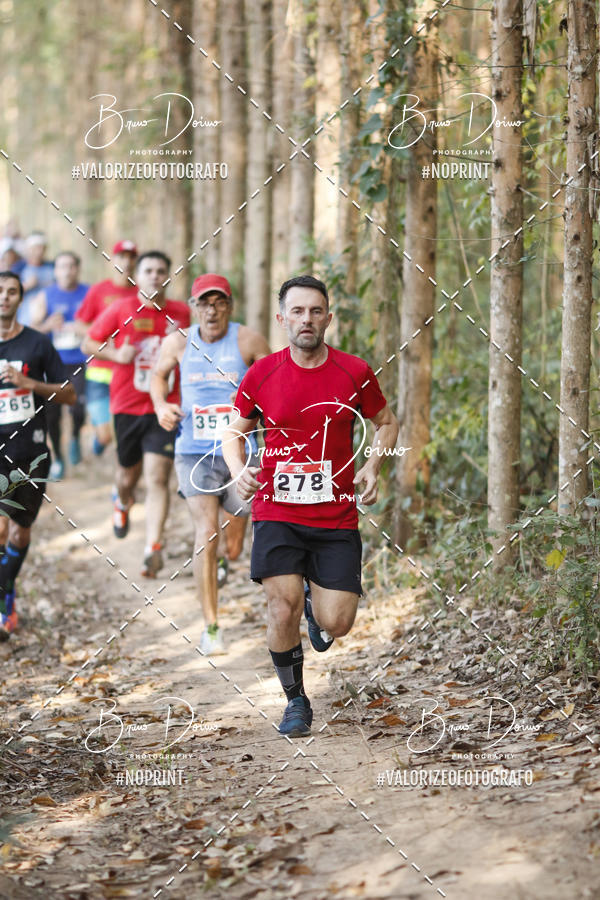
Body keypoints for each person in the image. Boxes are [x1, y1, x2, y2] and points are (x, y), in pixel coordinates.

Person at [222, 275, 399, 737]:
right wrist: (239, 468)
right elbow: (233, 432)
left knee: (336, 623)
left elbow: (387, 423)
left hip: (335, 514)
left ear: (328, 318)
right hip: (276, 510)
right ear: (282, 319)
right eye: (297, 312)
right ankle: (296, 700)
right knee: (278, 609)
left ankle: (312, 604)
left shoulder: (353, 371)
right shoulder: (261, 373)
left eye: (315, 311)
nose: (306, 320)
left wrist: (373, 467)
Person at [151, 273, 270, 655]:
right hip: (194, 451)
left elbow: (275, 381)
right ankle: (212, 627)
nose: (212, 310)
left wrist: (261, 408)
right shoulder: (179, 341)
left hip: (240, 453)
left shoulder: (247, 340)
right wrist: (160, 405)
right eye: (204, 303)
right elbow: (157, 375)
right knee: (206, 533)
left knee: (233, 545)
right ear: (194, 307)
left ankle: (225, 558)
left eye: (219, 302)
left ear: (229, 307)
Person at [83, 251, 190, 577]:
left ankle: (152, 548)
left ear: (168, 276)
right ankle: (122, 499)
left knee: (158, 477)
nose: (155, 276)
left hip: (166, 404)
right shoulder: (121, 309)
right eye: (149, 270)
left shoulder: (182, 313)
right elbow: (88, 341)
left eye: (161, 270)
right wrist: (117, 354)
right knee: (127, 476)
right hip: (127, 404)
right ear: (137, 276)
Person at [0, 271, 76, 639]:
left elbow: (69, 394)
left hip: (30, 452)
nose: (4, 297)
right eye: (0, 291)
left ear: (20, 299)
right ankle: (3, 603)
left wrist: (30, 384)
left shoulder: (38, 343)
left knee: (19, 533)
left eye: (11, 292)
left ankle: (6, 591)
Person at [76, 240, 138, 455]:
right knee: (105, 435)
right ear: (113, 260)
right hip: (99, 371)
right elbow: (81, 324)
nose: (127, 262)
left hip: (130, 373)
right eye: (122, 256)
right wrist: (101, 336)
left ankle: (121, 484)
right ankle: (99, 441)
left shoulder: (141, 293)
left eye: (131, 257)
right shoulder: (98, 290)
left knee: (125, 435)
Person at [30, 252, 89, 478]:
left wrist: (82, 328)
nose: (67, 270)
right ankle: (59, 459)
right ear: (55, 271)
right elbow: (32, 329)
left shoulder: (88, 292)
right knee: (52, 416)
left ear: (78, 269)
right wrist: (47, 325)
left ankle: (75, 435)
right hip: (52, 364)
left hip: (80, 361)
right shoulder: (45, 296)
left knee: (78, 407)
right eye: (62, 266)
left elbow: (101, 324)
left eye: (72, 266)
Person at [19, 232, 55, 326]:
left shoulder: (53, 267)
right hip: (25, 319)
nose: (39, 252)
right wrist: (27, 285)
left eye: (42, 248)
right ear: (28, 249)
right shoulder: (19, 268)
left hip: (50, 319)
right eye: (35, 248)